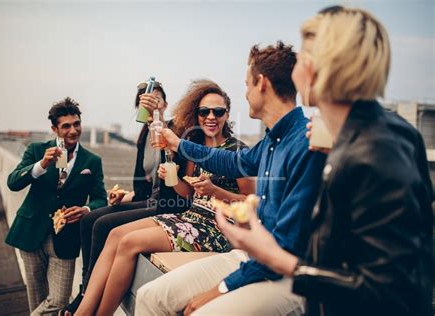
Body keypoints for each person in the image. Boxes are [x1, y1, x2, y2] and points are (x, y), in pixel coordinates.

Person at [215, 6, 433, 316]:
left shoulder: (374, 151)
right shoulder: (386, 133)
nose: (294, 69)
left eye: (303, 56)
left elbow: (388, 292)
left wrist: (279, 259)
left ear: (319, 67)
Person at [135, 42, 327, 316]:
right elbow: (232, 162)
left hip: (286, 275)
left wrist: (220, 289)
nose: (245, 94)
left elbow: (284, 247)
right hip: (252, 257)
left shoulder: (305, 143)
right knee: (150, 296)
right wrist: (178, 144)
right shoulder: (273, 140)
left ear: (261, 83)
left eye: (247, 84)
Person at [74, 79, 255, 315]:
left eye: (218, 111)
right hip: (192, 216)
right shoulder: (195, 148)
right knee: (115, 234)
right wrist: (175, 180)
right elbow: (189, 194)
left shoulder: (237, 151)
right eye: (204, 111)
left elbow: (251, 202)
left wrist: (216, 192)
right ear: (197, 114)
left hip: (217, 229)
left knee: (129, 243)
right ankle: (83, 311)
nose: (211, 116)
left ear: (227, 115)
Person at [59, 82, 190, 315]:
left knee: (103, 225)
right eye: (145, 100)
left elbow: (173, 178)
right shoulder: (143, 136)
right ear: (138, 106)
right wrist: (123, 195)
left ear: (165, 104)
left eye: (156, 99)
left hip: (170, 204)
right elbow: (143, 190)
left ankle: (85, 296)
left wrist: (157, 118)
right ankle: (85, 289)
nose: (150, 103)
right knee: (89, 220)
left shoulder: (172, 130)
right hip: (150, 200)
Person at [5, 97, 107, 315]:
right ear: (55, 129)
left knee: (59, 301)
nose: (73, 130)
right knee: (37, 299)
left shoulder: (92, 161)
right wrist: (41, 165)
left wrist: (86, 209)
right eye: (66, 126)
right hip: (30, 233)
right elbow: (13, 182)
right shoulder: (36, 150)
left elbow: (101, 198)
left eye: (76, 124)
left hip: (67, 237)